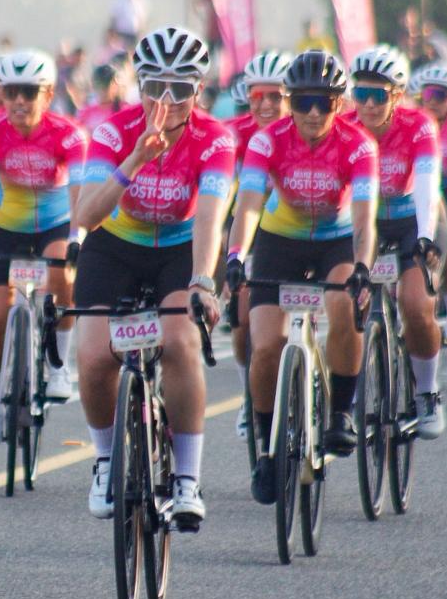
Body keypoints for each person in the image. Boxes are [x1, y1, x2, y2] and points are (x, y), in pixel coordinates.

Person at [74, 26, 231, 524]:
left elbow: (210, 217)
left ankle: (187, 478)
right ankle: (105, 461)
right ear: (137, 85)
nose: (166, 100)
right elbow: (86, 216)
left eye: (179, 88)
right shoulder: (111, 132)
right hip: (115, 245)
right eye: (154, 86)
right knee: (94, 355)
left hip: (180, 249)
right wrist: (136, 158)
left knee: (180, 344)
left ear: (198, 91)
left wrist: (202, 281)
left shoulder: (215, 139)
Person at [227, 50, 377, 504]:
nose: (313, 113)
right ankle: (266, 445)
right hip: (280, 242)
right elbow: (248, 205)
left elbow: (364, 216)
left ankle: (340, 412)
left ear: (339, 104)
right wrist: (236, 255)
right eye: (303, 102)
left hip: (336, 240)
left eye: (324, 102)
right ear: (290, 102)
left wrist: (363, 266)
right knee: (266, 345)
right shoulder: (266, 141)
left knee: (343, 304)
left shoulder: (358, 145)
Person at [0, 50, 86, 445]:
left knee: (61, 271)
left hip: (55, 223)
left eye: (29, 93)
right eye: (11, 91)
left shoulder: (69, 134)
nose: (18, 101)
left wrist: (77, 236)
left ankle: (58, 365)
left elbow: (80, 190)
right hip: (4, 228)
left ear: (47, 95)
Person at [344, 47, 447, 436]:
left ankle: (427, 391)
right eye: (361, 94)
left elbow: (426, 185)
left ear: (398, 95)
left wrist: (424, 237)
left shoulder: (419, 125)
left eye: (378, 95)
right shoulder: (345, 127)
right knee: (348, 304)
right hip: (366, 222)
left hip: (412, 220)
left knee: (416, 306)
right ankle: (352, 389)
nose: (368, 105)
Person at [224, 49, 292, 442]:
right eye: (257, 96)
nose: (265, 105)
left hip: (296, 233)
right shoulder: (234, 134)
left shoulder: (309, 128)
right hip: (250, 231)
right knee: (243, 316)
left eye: (275, 96)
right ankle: (249, 394)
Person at [412, 64, 447, 343]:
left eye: (439, 95)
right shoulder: (415, 123)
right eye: (427, 95)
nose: (432, 101)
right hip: (422, 188)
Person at [75, 64, 125, 135]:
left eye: (105, 85)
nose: (102, 90)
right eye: (98, 85)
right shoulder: (86, 111)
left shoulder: (124, 109)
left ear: (115, 84)